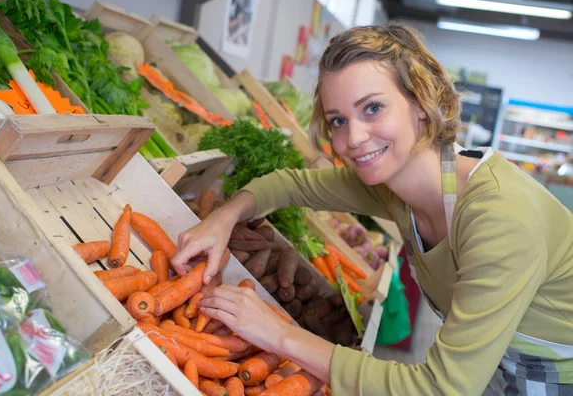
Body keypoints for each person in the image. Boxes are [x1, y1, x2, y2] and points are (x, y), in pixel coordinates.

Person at [171, 23, 573, 395]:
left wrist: (279, 334)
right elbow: (289, 184)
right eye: (338, 120)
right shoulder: (395, 183)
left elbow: (440, 388)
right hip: (498, 362)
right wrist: (222, 217)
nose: (354, 138)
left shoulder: (499, 219)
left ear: (421, 101)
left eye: (373, 109)